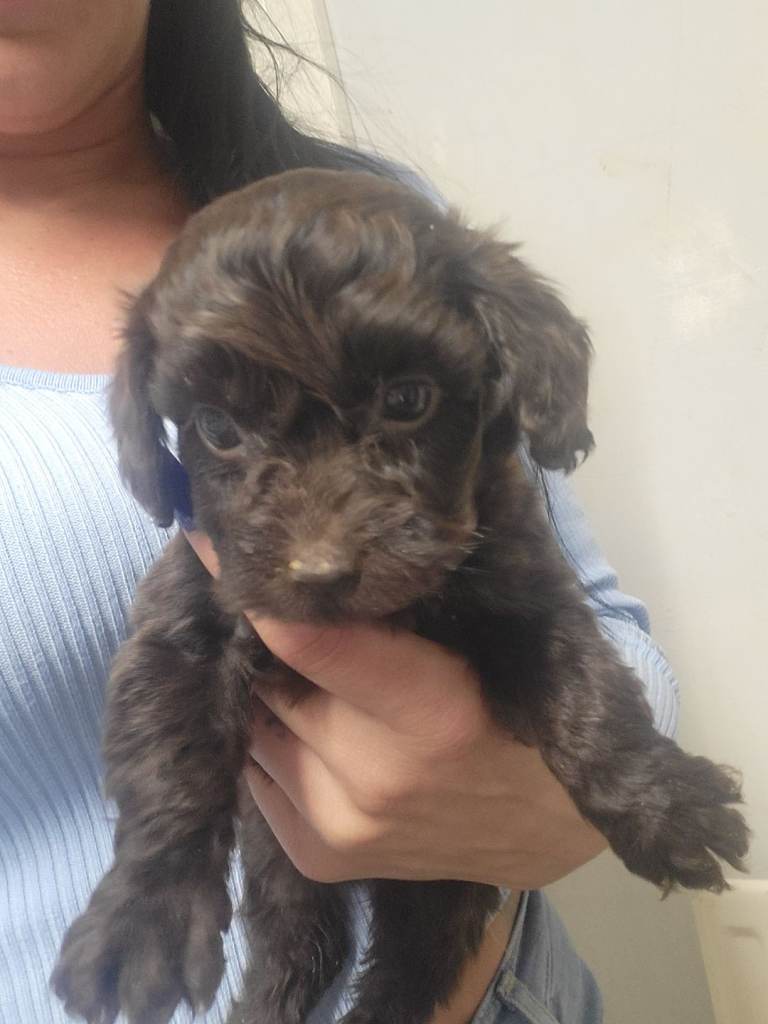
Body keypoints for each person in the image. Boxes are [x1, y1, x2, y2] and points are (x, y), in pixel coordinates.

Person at [0, 2, 680, 1022]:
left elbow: (596, 628)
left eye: (401, 408)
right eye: (223, 431)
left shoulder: (381, 220)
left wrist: (566, 797)